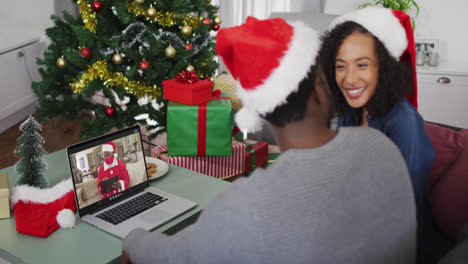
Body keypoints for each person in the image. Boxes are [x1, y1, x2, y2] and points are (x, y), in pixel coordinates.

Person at [122, 17, 417, 263]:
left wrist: (132, 239)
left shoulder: (245, 206)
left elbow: (173, 258)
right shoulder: (381, 146)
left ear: (262, 111)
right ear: (319, 89)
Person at [316, 7, 435, 262]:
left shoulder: (404, 121)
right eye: (340, 66)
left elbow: (403, 208)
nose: (349, 78)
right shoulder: (351, 113)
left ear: (384, 67)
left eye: (362, 65)